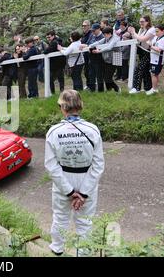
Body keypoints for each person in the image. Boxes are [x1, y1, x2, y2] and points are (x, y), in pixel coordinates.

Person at [44, 90, 104, 256]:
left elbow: (50, 165)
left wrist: (69, 191)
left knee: (60, 218)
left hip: (63, 180)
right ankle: (83, 253)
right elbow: (98, 165)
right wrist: (83, 192)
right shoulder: (93, 130)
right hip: (88, 180)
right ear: (81, 106)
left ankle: (57, 249)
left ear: (63, 108)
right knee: (85, 222)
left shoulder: (53, 132)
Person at [88, 27, 122, 93]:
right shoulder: (106, 38)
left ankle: (117, 89)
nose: (104, 36)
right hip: (108, 59)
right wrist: (90, 46)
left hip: (116, 58)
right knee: (106, 76)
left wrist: (99, 51)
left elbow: (109, 47)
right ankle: (109, 90)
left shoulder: (115, 39)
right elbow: (98, 42)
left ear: (109, 34)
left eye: (105, 34)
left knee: (108, 77)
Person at [128, 15, 155, 94]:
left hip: (148, 52)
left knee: (138, 69)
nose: (141, 23)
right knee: (145, 71)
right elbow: (137, 39)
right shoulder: (141, 29)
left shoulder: (152, 30)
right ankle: (148, 89)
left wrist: (133, 32)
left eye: (142, 21)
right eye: (140, 21)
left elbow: (142, 39)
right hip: (141, 52)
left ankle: (136, 88)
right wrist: (132, 33)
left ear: (148, 22)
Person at [80, 24, 105, 92]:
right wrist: (84, 45)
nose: (93, 32)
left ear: (99, 29)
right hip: (91, 58)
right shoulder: (92, 35)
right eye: (92, 30)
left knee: (99, 75)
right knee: (91, 74)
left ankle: (101, 90)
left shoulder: (103, 37)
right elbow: (88, 43)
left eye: (94, 30)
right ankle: (92, 89)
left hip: (99, 58)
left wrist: (89, 46)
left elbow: (99, 46)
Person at [146, 24, 164, 95]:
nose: (156, 33)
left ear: (163, 31)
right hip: (153, 59)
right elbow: (151, 43)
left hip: (158, 60)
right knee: (154, 74)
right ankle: (155, 88)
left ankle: (154, 89)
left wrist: (150, 46)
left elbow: (159, 50)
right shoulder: (156, 37)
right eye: (155, 31)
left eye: (157, 31)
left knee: (154, 74)